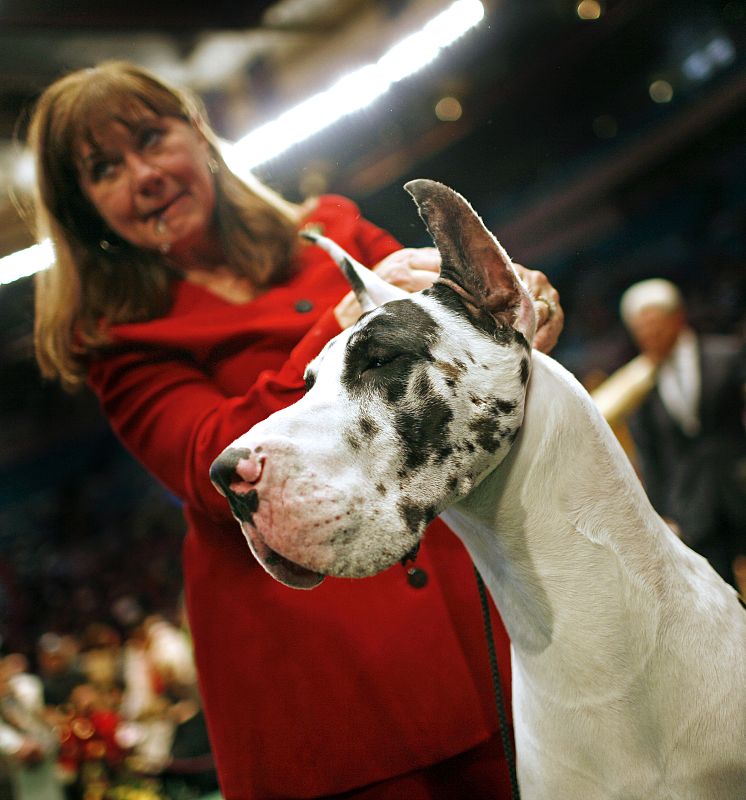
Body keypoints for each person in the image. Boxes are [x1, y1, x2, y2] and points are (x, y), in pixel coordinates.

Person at [28, 61, 563, 799]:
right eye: (104, 169)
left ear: (199, 132)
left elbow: (453, 342)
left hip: (472, 609)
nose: (143, 176)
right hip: (322, 675)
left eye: (150, 138)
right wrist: (339, 335)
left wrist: (516, 305)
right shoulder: (116, 340)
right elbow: (209, 463)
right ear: (84, 207)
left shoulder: (333, 229)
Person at [620, 278, 746, 587]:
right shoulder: (639, 386)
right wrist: (663, 513)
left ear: (677, 318)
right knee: (722, 592)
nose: (649, 335)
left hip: (739, 482)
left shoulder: (727, 355)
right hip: (692, 507)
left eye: (655, 325)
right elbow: (649, 455)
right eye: (641, 330)